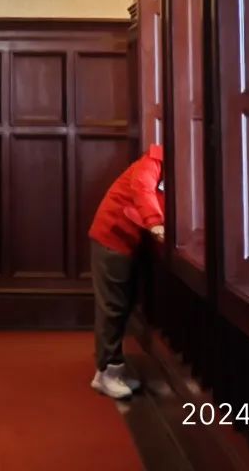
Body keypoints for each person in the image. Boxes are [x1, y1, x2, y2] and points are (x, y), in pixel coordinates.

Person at [88, 142, 165, 400]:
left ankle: (108, 372)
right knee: (112, 308)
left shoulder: (167, 166)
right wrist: (155, 224)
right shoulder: (151, 163)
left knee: (120, 307)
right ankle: (107, 372)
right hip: (112, 240)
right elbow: (143, 190)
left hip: (124, 243)